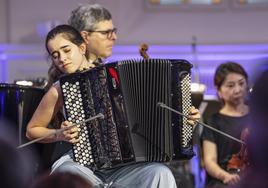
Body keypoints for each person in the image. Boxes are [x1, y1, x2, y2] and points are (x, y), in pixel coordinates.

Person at [26, 5, 200, 188]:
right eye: (55, 55)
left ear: (82, 47)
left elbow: (154, 115)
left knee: (160, 173)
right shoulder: (59, 88)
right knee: (67, 173)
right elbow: (32, 129)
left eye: (66, 50)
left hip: (124, 167)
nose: (61, 58)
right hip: (81, 165)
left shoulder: (114, 76)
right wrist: (58, 135)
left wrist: (183, 119)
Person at [201, 62, 250, 188]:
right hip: (223, 180)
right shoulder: (213, 122)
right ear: (219, 90)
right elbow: (209, 160)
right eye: (230, 85)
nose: (238, 89)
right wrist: (225, 176)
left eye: (241, 83)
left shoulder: (258, 116)